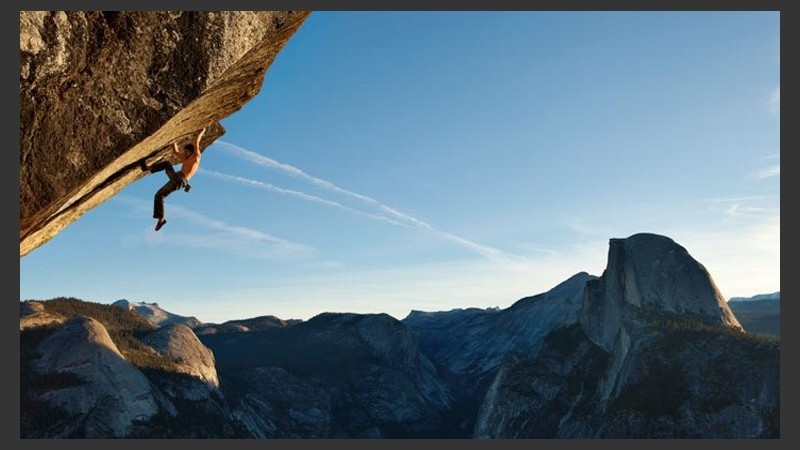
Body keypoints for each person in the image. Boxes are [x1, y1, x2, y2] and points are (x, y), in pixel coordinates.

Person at [147, 127, 206, 231]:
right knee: (166, 167)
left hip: (180, 180)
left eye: (186, 152)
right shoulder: (186, 158)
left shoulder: (196, 157)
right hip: (178, 178)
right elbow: (175, 151)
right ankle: (148, 169)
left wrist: (202, 132)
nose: (185, 153)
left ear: (191, 151)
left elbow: (196, 142)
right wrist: (173, 139)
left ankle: (161, 220)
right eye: (184, 151)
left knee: (159, 194)